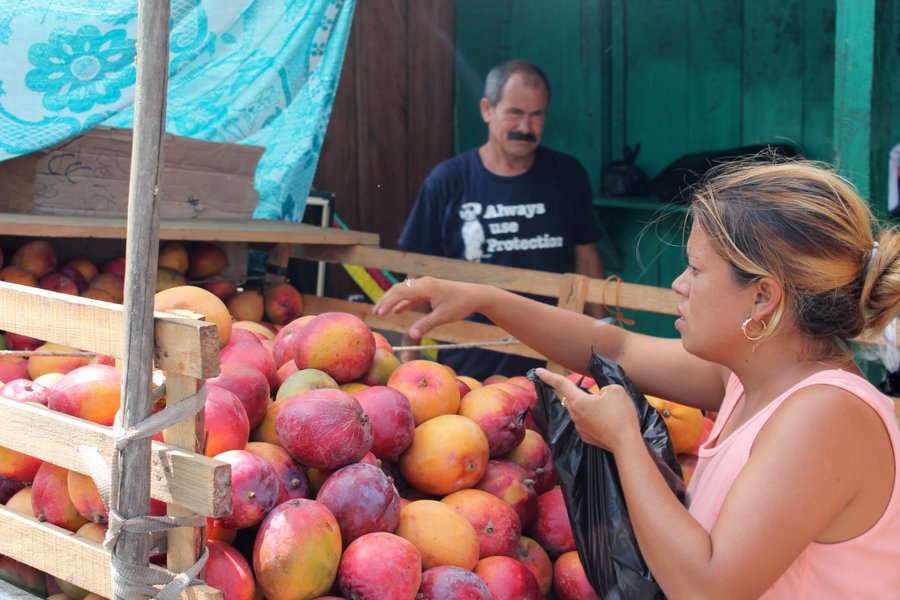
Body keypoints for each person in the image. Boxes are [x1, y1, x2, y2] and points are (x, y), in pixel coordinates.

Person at [375, 158, 900, 598]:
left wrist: (624, 439)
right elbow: (617, 347)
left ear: (762, 297)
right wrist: (486, 299)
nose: (678, 284)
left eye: (695, 269)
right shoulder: (751, 377)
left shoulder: (825, 416)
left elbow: (707, 587)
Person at [397, 59, 607, 380]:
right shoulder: (447, 181)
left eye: (537, 115)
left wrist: (604, 346)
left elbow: (587, 259)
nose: (526, 127)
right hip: (466, 372)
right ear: (486, 109)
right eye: (515, 113)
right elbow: (418, 270)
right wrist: (407, 355)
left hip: (554, 366)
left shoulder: (568, 175)